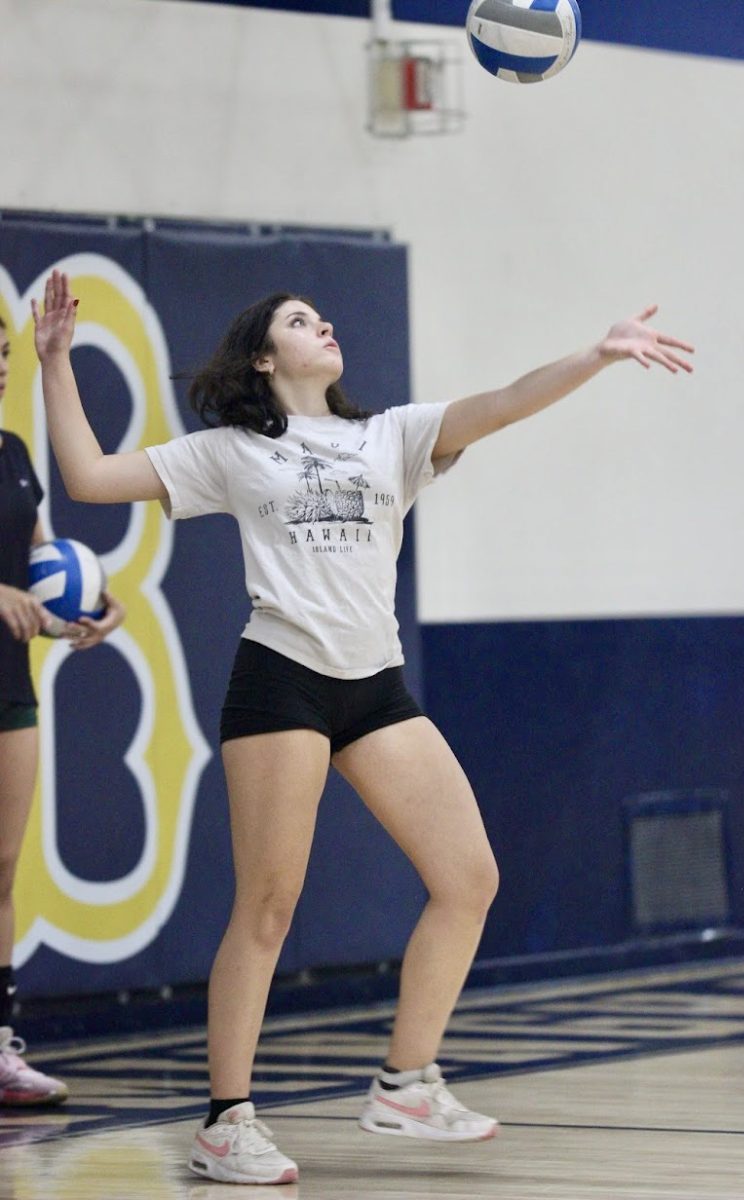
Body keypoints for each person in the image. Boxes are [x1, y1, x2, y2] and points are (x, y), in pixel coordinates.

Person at [32, 268, 693, 1184]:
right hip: (282, 682)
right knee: (268, 907)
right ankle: (226, 1120)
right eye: (302, 320)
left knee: (468, 878)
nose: (325, 323)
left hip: (374, 685)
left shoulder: (392, 436)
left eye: (323, 313)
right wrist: (56, 364)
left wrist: (596, 353)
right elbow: (91, 477)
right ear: (266, 358)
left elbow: (502, 403)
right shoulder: (231, 449)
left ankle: (405, 1084)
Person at [0, 313, 126, 1107]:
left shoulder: (12, 455)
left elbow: (40, 561)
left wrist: (88, 607)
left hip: (9, 683)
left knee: (2, 870)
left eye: (3, 353)